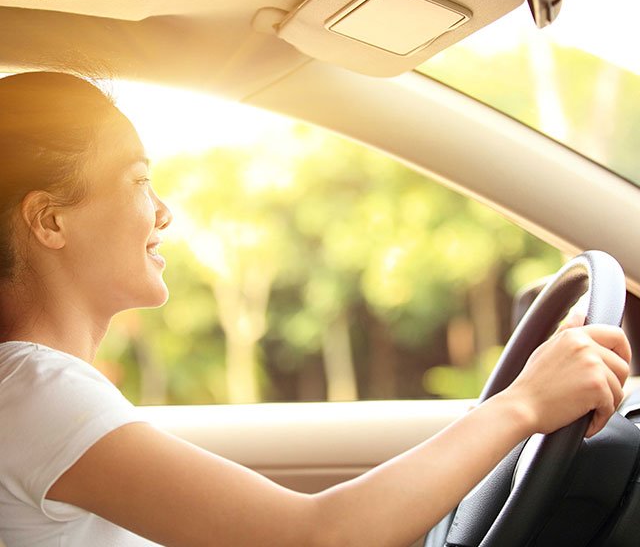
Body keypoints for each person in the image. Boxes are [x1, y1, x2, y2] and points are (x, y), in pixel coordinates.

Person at [0, 71, 631, 547]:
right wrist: (523, 405)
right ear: (50, 220)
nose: (163, 210)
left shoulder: (32, 392)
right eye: (138, 181)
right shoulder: (34, 393)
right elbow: (315, 537)